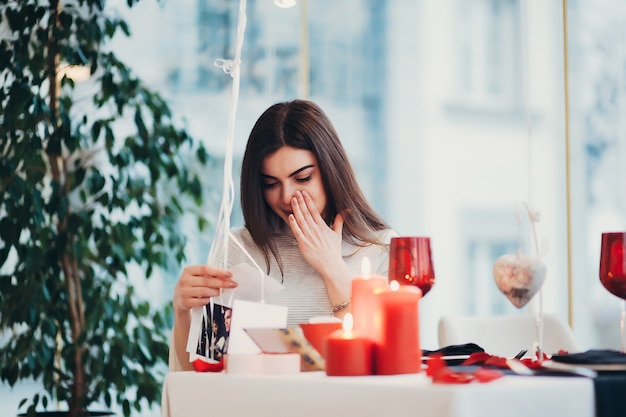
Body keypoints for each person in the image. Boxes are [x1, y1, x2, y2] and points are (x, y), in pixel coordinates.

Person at [171, 99, 395, 371]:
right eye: (271, 184)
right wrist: (183, 311)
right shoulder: (237, 248)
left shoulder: (380, 249)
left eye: (302, 178)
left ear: (331, 171)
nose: (287, 196)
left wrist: (332, 268)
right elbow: (200, 372)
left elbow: (379, 370)